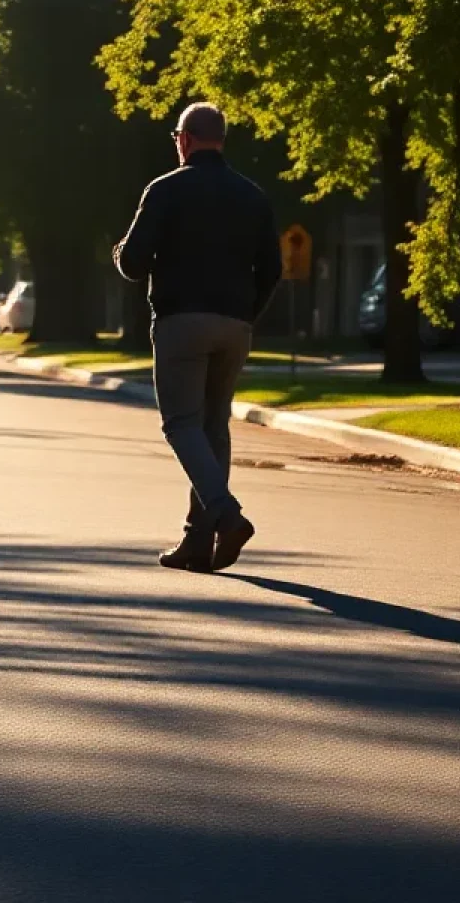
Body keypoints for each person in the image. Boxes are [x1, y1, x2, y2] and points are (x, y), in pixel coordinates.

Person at [114, 101, 282, 573]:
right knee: (214, 426)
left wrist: (120, 251)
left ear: (184, 140)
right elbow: (272, 269)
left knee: (181, 424)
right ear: (221, 140)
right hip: (235, 325)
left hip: (180, 322)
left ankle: (227, 517)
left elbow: (133, 263)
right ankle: (197, 541)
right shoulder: (253, 196)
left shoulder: (165, 189)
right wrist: (247, 315)